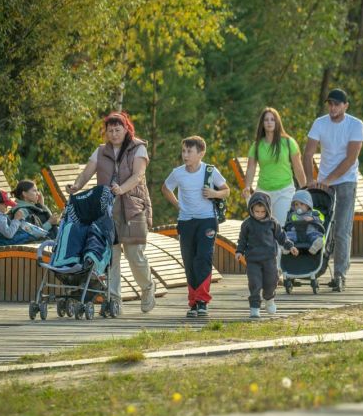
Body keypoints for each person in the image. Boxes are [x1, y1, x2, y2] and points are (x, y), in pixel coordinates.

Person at [67, 111, 156, 314]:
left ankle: (148, 287)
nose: (114, 134)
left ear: (126, 129)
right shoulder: (101, 151)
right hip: (107, 211)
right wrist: (76, 186)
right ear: (106, 133)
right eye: (110, 131)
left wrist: (121, 189)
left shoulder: (138, 148)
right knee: (111, 257)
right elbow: (87, 172)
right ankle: (114, 300)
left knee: (135, 255)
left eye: (118, 130)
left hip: (133, 208)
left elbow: (139, 174)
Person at [162, 135, 230, 318]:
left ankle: (202, 302)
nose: (185, 155)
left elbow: (227, 191)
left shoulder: (210, 170)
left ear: (201, 153)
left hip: (207, 220)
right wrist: (177, 205)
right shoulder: (178, 173)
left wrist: (214, 193)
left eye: (189, 151)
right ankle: (193, 303)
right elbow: (166, 188)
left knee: (204, 258)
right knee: (189, 261)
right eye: (183, 151)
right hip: (186, 221)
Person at [303, 88, 363, 291]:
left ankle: (340, 275)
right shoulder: (320, 123)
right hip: (323, 183)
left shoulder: (355, 125)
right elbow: (308, 153)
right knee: (321, 227)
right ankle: (316, 270)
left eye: (337, 104)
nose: (333, 107)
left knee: (341, 230)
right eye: (330, 104)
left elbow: (350, 158)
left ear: (345, 106)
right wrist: (310, 180)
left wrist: (329, 180)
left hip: (346, 180)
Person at [235, 192, 297, 319]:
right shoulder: (247, 224)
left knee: (271, 282)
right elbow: (242, 240)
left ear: (267, 210)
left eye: (262, 211)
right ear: (251, 209)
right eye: (256, 211)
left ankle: (269, 299)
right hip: (253, 260)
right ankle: (254, 308)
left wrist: (290, 246)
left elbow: (281, 237)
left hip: (269, 259)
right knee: (254, 283)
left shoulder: (272, 223)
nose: (259, 214)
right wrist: (239, 251)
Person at [242, 107, 307, 224]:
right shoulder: (256, 145)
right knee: (262, 228)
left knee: (280, 226)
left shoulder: (288, 142)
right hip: (263, 192)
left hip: (284, 191)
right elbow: (251, 168)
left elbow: (298, 167)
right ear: (262, 123)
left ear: (277, 122)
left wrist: (304, 189)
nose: (269, 122)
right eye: (266, 120)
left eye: (272, 119)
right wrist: (247, 186)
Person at [284, 189, 324, 255]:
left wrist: (312, 219)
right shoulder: (293, 215)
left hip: (310, 232)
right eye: (296, 204)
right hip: (296, 233)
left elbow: (322, 220)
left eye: (301, 204)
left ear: (308, 205)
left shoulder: (314, 213)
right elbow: (288, 225)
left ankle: (315, 246)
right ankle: (286, 247)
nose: (299, 206)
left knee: (316, 236)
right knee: (288, 236)